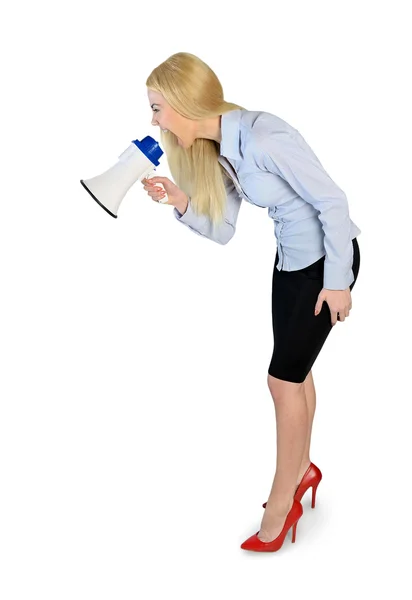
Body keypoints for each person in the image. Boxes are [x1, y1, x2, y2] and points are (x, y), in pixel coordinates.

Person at [142, 52, 361, 553]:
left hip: (324, 265)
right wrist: (180, 200)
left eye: (157, 108)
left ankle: (281, 500)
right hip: (289, 266)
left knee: (280, 381)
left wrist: (339, 282)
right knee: (296, 374)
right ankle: (302, 471)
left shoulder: (263, 137)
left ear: (181, 102)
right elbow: (223, 231)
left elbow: (332, 201)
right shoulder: (224, 149)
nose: (154, 120)